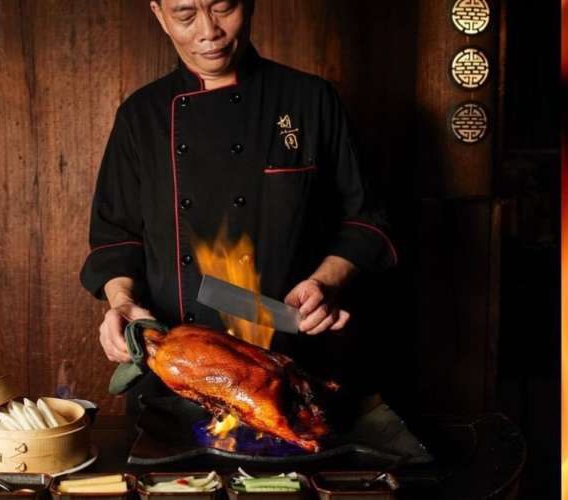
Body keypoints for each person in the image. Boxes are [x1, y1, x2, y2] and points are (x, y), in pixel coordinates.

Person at [81, 0, 430, 461]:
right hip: (175, 379)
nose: (209, 31)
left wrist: (325, 282)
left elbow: (367, 219)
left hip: (293, 369)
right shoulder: (140, 116)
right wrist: (121, 304)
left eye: (223, 8)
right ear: (159, 15)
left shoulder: (310, 100)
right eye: (186, 15)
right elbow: (115, 238)